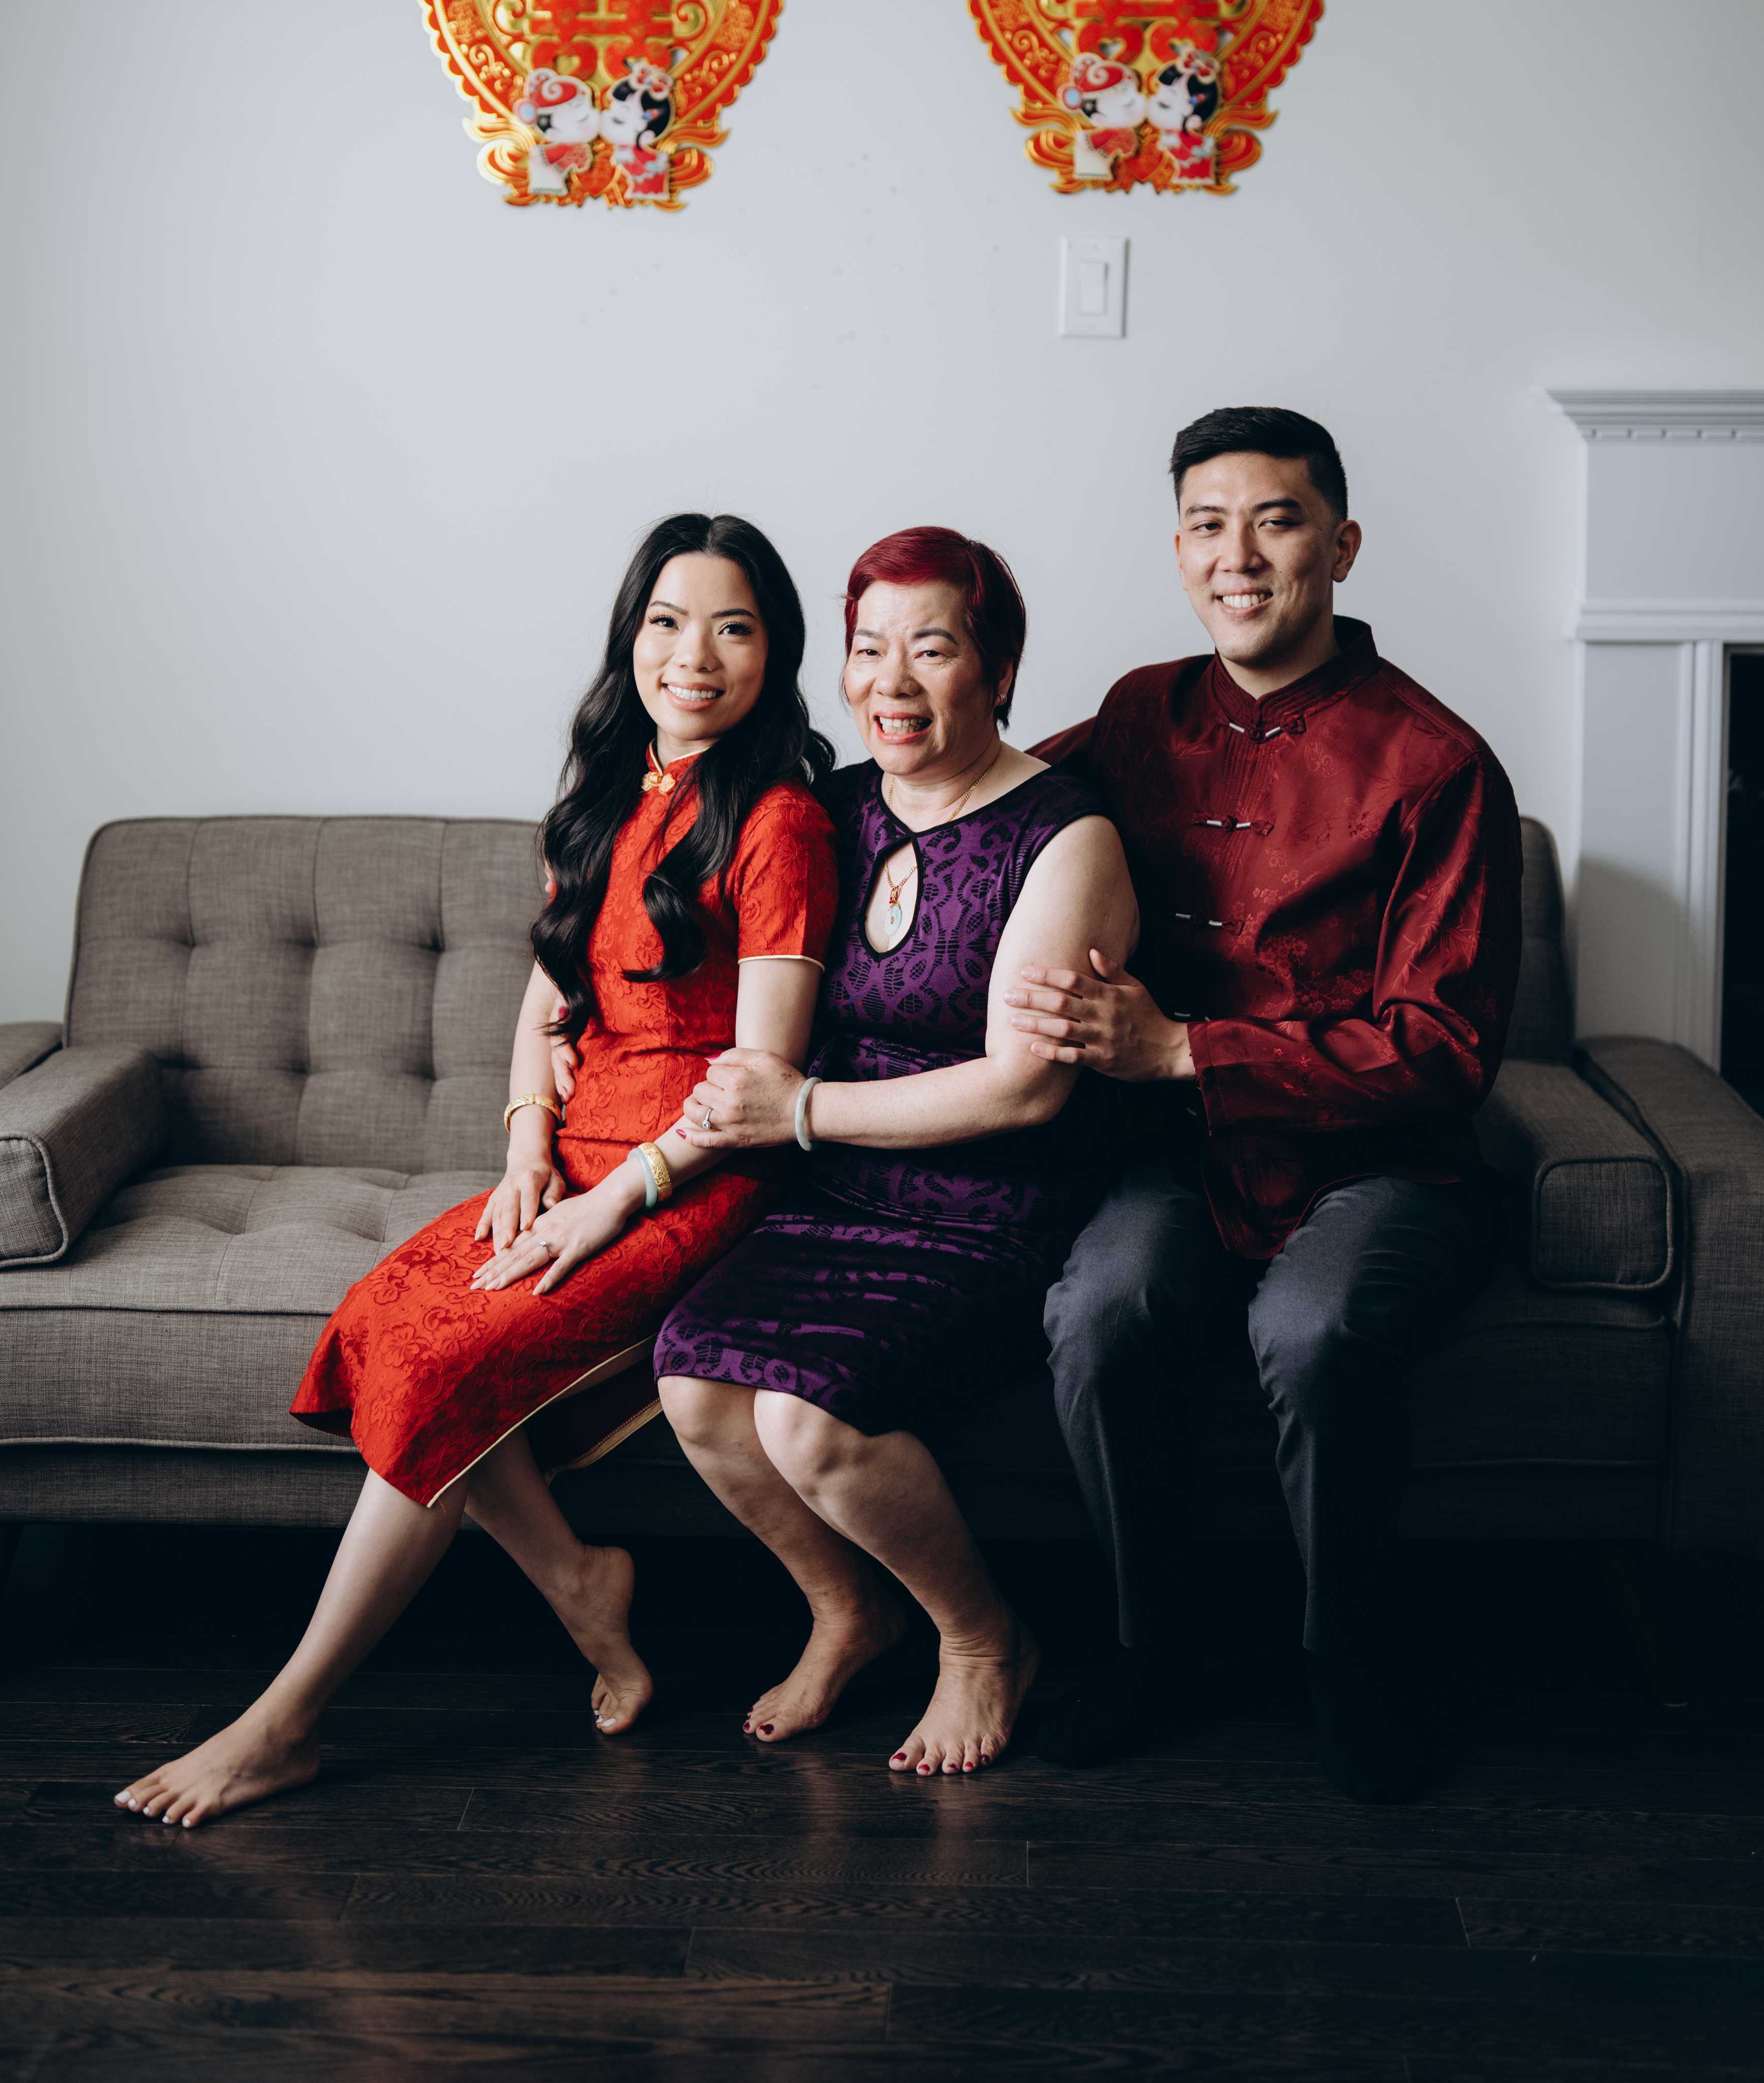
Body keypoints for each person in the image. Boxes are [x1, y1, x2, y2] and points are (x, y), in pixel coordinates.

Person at [113, 512, 839, 1827]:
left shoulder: (779, 820)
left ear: (773, 653)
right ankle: (581, 1580)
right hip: (577, 1156)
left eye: (734, 628)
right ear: (629, 639)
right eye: (667, 622)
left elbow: (760, 1080)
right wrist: (523, 1145)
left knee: (447, 1367)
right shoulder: (607, 800)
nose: (694, 655)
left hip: (695, 1177)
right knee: (383, 1327)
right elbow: (548, 997)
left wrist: (611, 1202)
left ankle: (285, 1723)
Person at [1007, 408, 1522, 1800]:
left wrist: (1186, 1050)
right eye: (1204, 525)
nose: (1236, 556)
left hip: (1385, 1165)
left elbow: (1441, 1050)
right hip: (1179, 1163)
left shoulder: (1436, 762)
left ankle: (1344, 1659)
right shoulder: (1138, 712)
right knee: (1098, 1311)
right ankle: (1147, 1645)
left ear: (1339, 547)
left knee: (1310, 1328)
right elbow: (984, 797)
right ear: (1176, 548)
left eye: (1275, 521)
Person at [655, 527, 1136, 1779]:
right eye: (869, 650)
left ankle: (983, 1642)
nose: (891, 681)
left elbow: (1027, 1087)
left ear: (1000, 669)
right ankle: (847, 1612)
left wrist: (799, 1111)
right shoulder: (833, 811)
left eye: (932, 649)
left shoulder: (1063, 834)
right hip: (831, 1198)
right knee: (694, 1389)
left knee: (805, 1421)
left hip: (991, 1212)